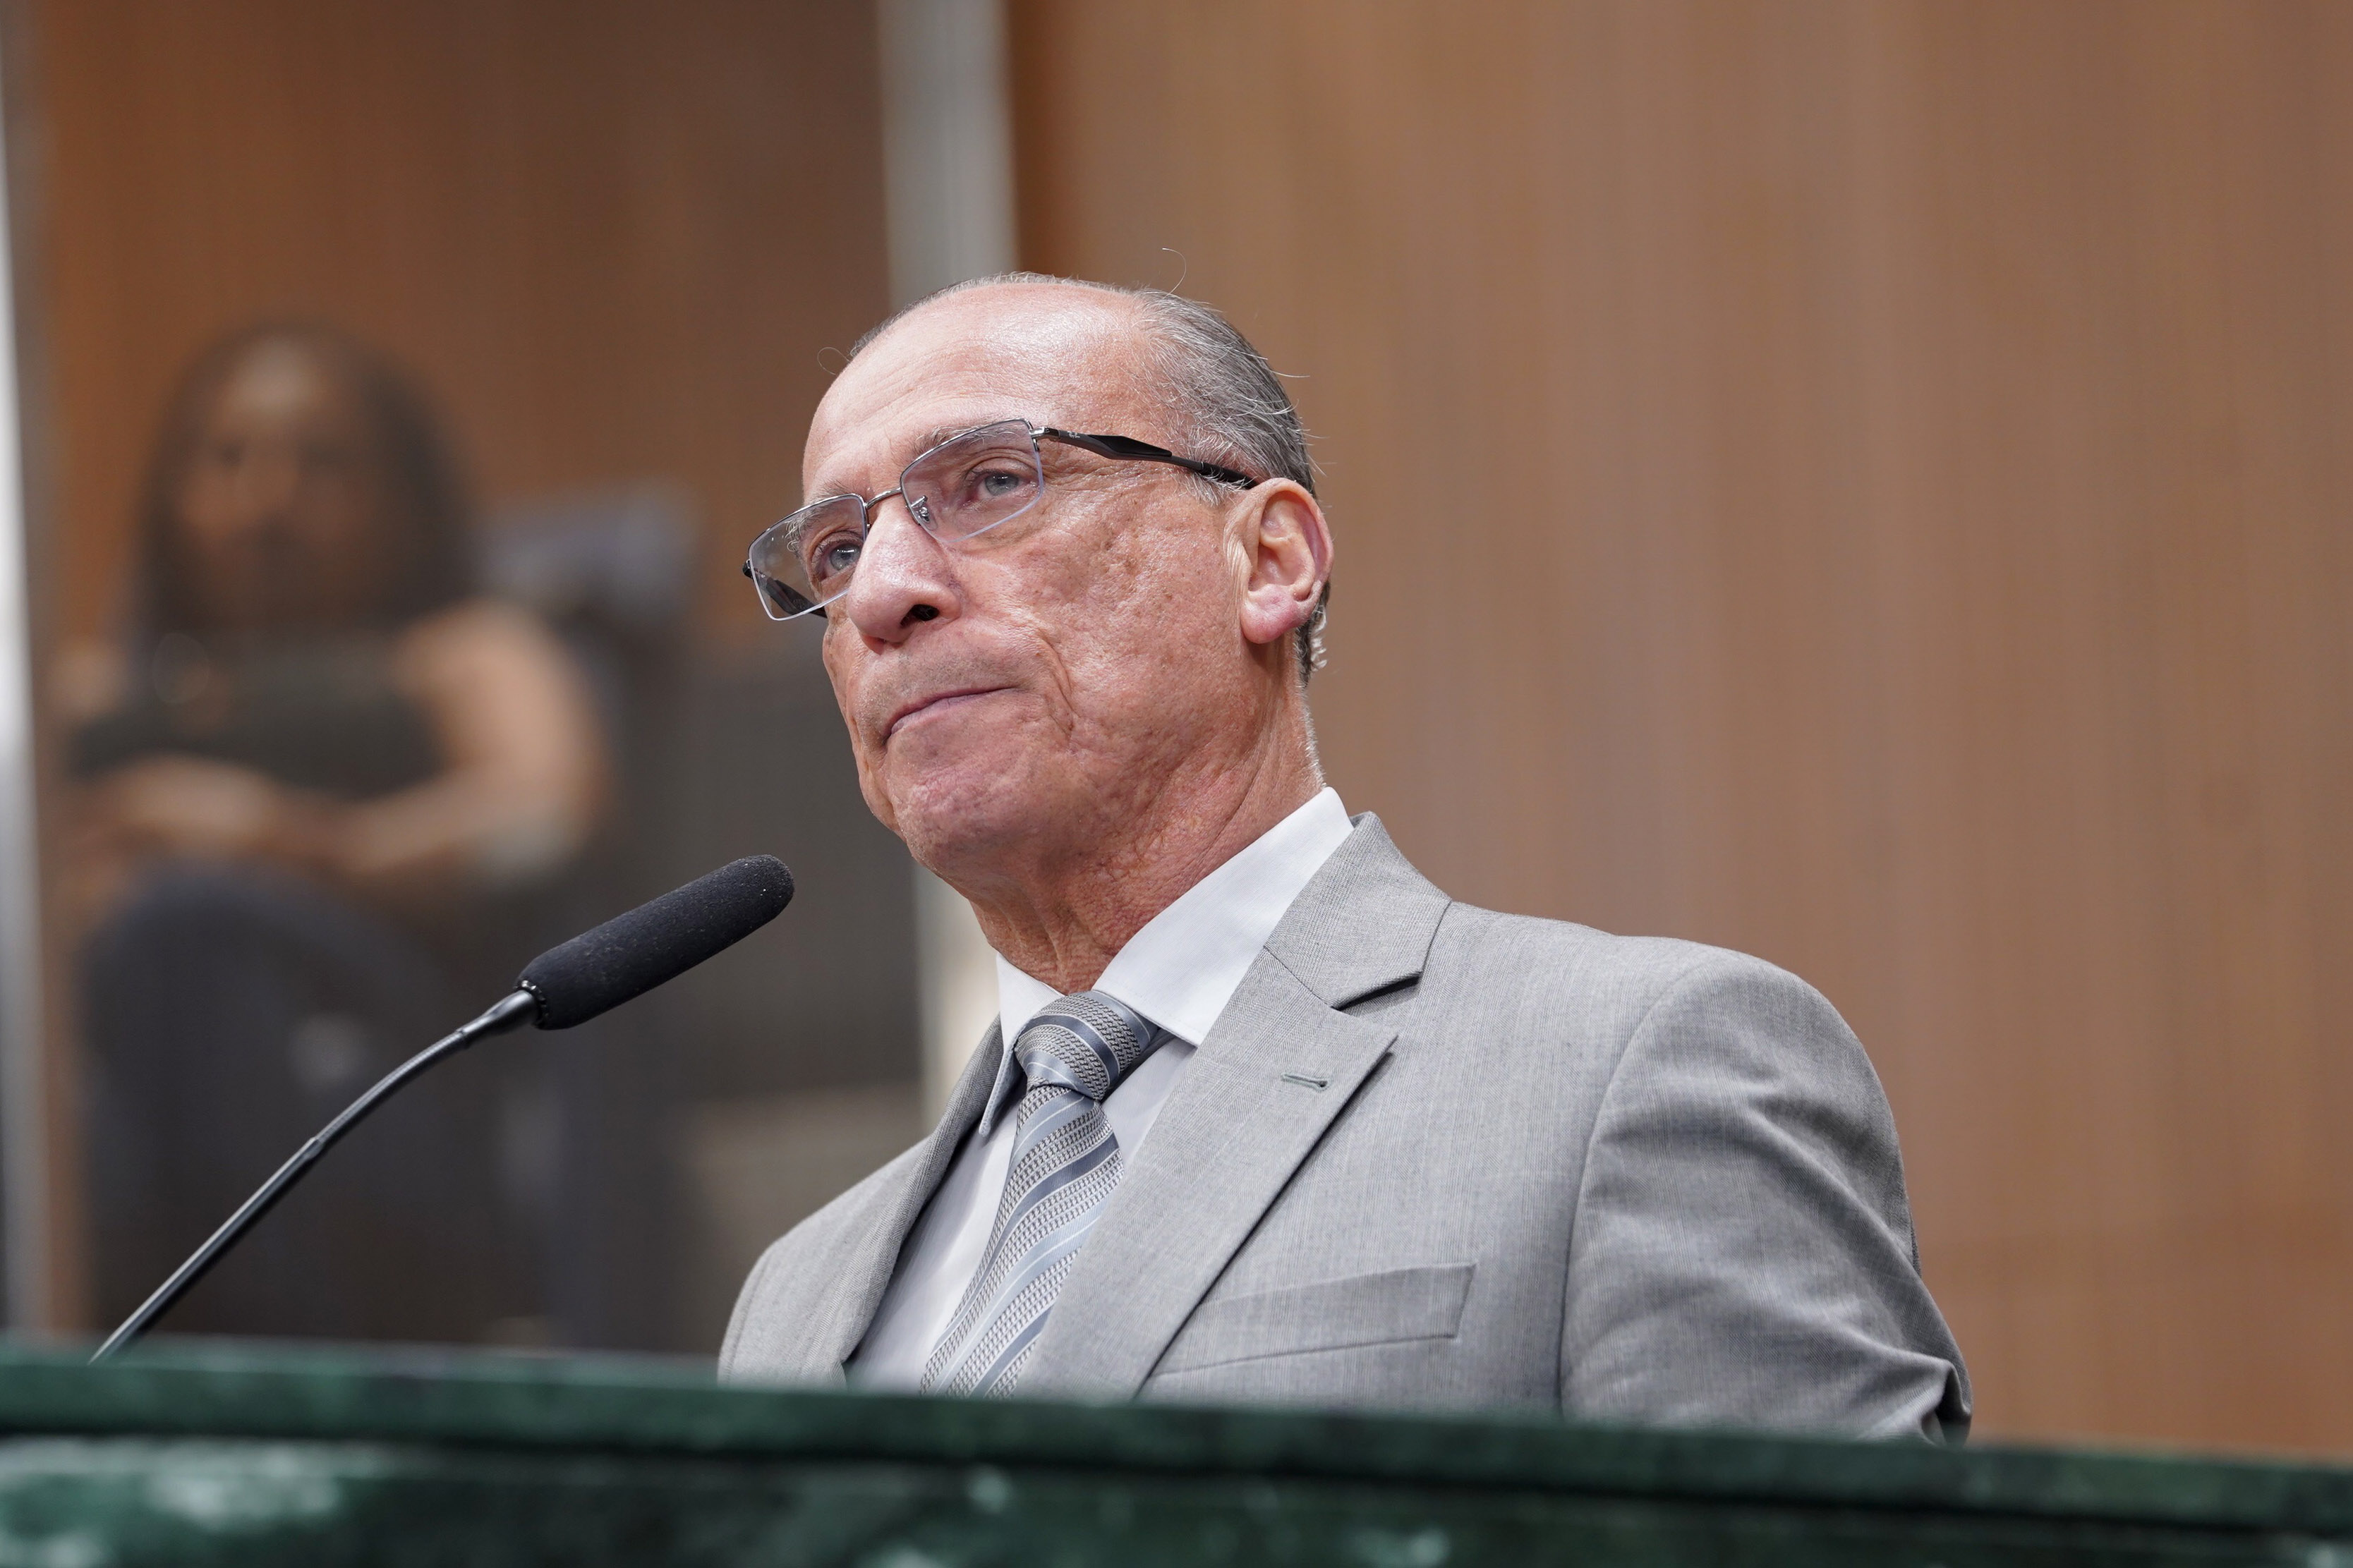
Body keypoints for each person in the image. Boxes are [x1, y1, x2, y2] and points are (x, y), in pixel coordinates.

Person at [721, 275, 1970, 1439]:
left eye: (994, 482)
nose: (881, 594)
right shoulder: (795, 1298)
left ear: (1270, 561)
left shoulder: (1637, 1074)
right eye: (836, 553)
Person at [63, 322, 607, 1342]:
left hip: (378, 1096)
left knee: (185, 928)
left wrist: (284, 847)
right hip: (111, 1100)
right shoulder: (93, 689)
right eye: (226, 459)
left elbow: (546, 811)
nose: (266, 500)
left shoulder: (460, 653)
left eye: (322, 464)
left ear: (406, 503)